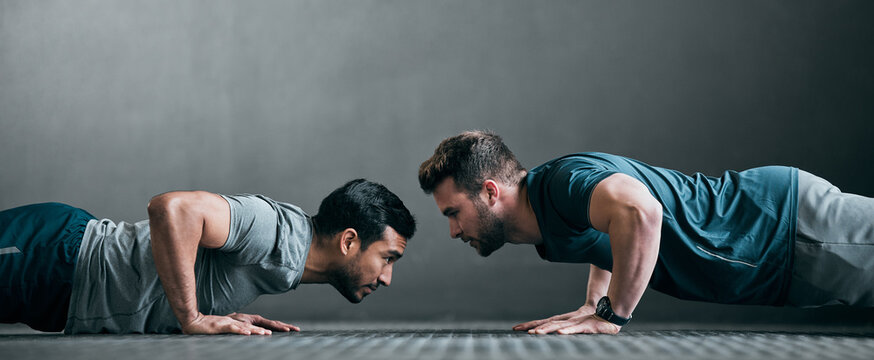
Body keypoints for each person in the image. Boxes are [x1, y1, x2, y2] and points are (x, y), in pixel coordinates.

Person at [418, 130, 874, 335]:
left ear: (491, 191)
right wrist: (592, 303)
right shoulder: (550, 207)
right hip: (780, 264)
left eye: (453, 213)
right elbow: (606, 235)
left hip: (784, 226)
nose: (454, 231)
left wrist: (612, 315)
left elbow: (640, 212)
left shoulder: (562, 183)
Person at [0, 179, 416, 335]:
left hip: (60, 293)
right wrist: (191, 317)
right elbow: (173, 208)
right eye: (388, 258)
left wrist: (216, 308)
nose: (387, 278)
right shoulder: (276, 229)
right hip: (52, 256)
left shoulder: (289, 259)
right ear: (348, 241)